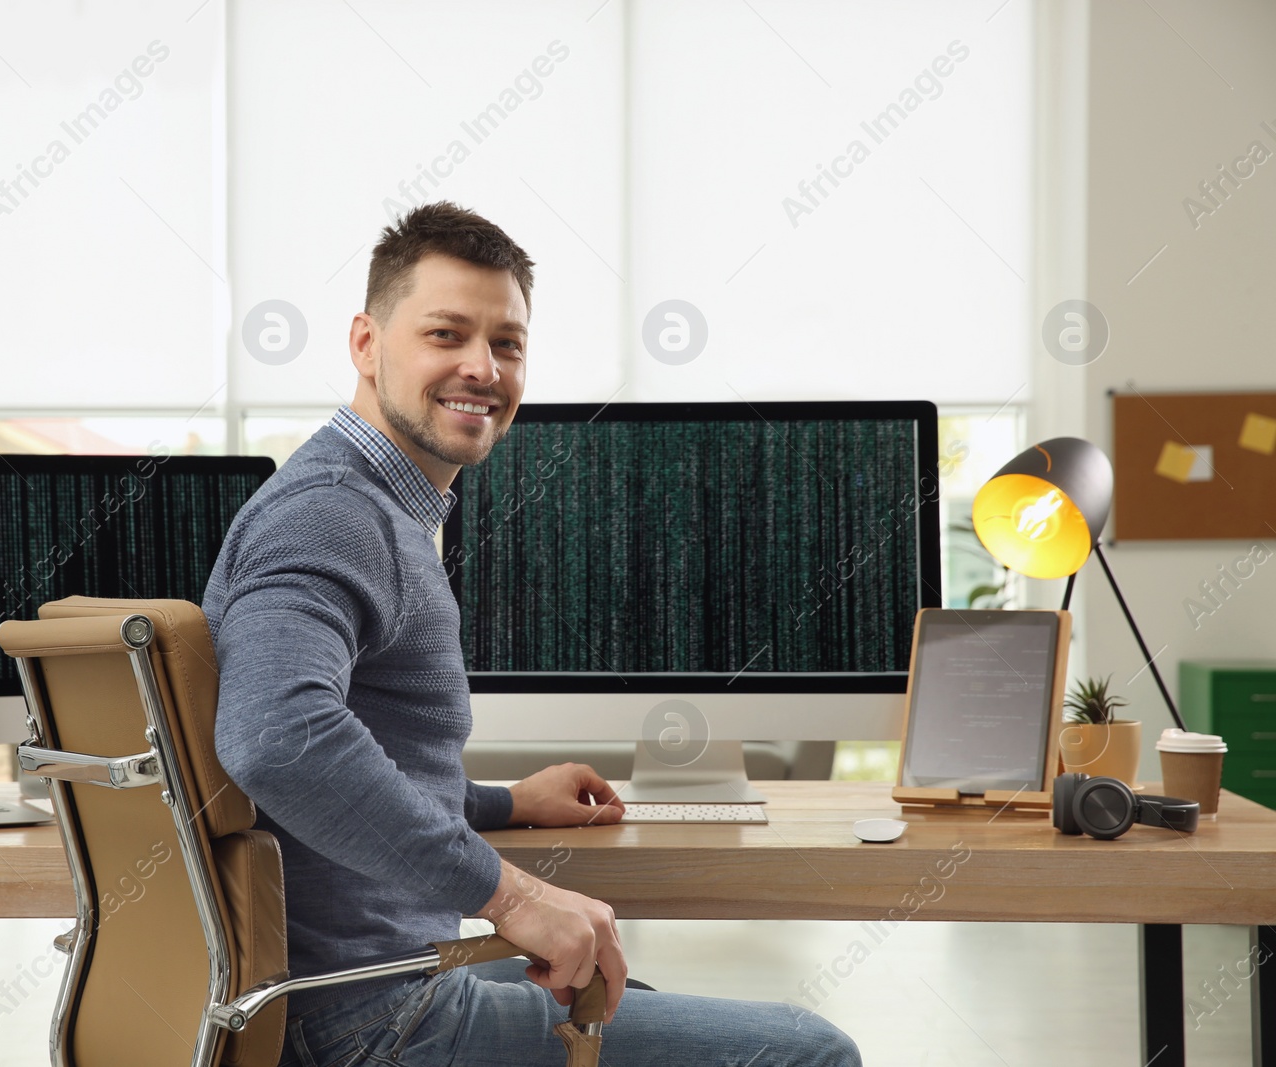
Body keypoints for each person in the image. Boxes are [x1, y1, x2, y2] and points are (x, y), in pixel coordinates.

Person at [203, 201, 861, 1066]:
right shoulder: (332, 515)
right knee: (809, 1051)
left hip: (367, 989)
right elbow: (276, 739)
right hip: (364, 1018)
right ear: (366, 344)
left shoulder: (374, 504)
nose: (482, 367)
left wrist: (504, 804)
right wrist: (510, 894)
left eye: (507, 343)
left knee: (627, 987)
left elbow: (341, 762)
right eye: (446, 334)